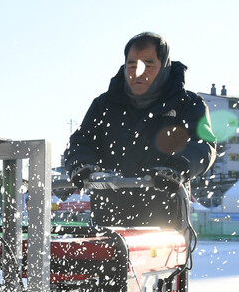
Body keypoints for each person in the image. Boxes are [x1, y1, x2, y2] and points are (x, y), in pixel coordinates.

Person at [62, 32, 216, 229]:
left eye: (148, 64)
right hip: (109, 221)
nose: (138, 72)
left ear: (164, 66)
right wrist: (81, 164)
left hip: (164, 221)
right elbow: (82, 141)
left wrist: (178, 168)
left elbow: (202, 145)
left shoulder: (186, 104)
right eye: (132, 65)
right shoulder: (105, 105)